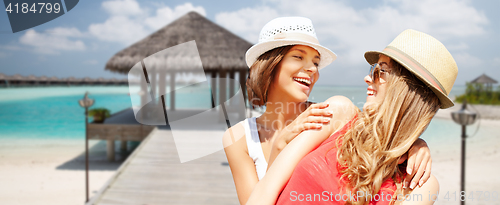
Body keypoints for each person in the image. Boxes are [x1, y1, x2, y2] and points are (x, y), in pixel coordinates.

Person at [223, 17, 433, 205]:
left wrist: (416, 144)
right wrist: (280, 144)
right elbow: (260, 197)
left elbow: (378, 133)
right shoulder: (238, 137)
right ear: (270, 63)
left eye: (316, 62)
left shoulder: (328, 114)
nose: (312, 69)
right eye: (298, 57)